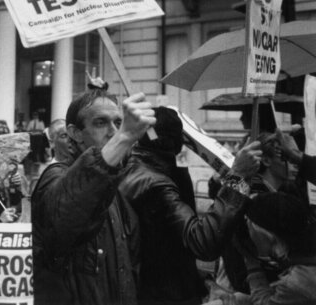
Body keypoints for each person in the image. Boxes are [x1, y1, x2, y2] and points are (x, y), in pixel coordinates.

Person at [119, 107, 261, 305]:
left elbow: (167, 247)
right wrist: (238, 177)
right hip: (163, 297)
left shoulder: (135, 168)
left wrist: (202, 280)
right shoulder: (156, 184)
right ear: (178, 144)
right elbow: (203, 242)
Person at [32, 85, 155, 305]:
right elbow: (64, 217)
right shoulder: (55, 176)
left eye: (118, 123)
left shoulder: (116, 182)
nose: (113, 131)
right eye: (100, 122)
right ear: (75, 133)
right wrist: (124, 137)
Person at [232, 192, 316, 304]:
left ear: (266, 235)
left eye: (249, 225)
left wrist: (252, 263)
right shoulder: (305, 258)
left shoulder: (297, 282)